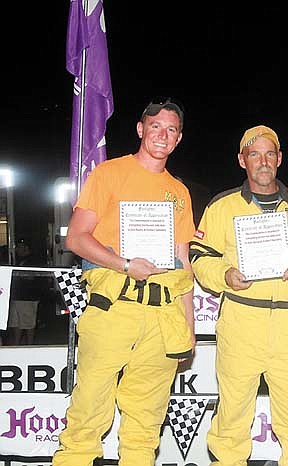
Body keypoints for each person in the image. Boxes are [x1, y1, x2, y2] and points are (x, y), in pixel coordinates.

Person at [53, 97, 196, 466]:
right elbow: (76, 238)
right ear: (140, 130)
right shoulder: (108, 174)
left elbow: (184, 265)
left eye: (171, 130)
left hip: (163, 317)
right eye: (156, 127)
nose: (163, 135)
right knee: (88, 415)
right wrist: (125, 263)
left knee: (145, 426)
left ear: (179, 139)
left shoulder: (179, 193)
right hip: (112, 308)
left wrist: (188, 328)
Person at [189, 125, 288, 466]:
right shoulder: (221, 207)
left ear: (279, 159)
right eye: (254, 154)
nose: (263, 161)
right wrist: (224, 275)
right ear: (242, 160)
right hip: (242, 323)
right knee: (232, 416)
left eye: (270, 153)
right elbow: (200, 257)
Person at [6, 240, 42, 345]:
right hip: (16, 296)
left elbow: (31, 277)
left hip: (27, 297)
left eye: (20, 247)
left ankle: (29, 346)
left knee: (28, 324)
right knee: (16, 323)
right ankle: (16, 345)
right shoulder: (17, 260)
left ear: (26, 248)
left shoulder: (33, 260)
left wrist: (18, 274)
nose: (17, 249)